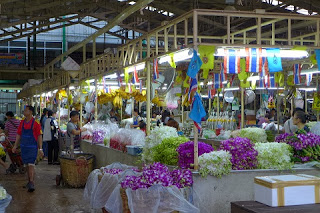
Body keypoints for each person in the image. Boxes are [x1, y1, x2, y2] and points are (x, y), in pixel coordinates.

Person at [12, 105, 43, 192]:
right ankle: (29, 181)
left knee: (31, 165)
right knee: (26, 165)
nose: (24, 112)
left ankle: (32, 182)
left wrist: (40, 149)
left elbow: (39, 136)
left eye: (26, 110)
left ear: (30, 112)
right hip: (24, 147)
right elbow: (19, 134)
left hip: (32, 148)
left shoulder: (36, 123)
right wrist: (15, 145)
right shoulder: (22, 122)